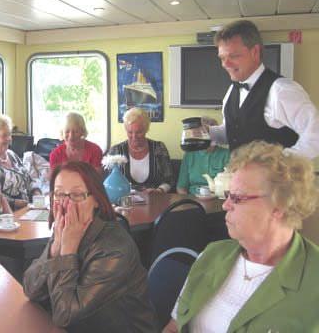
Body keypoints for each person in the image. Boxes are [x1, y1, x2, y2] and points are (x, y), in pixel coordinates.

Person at [164, 141, 319, 332]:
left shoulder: (313, 281)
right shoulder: (212, 254)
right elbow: (173, 327)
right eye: (228, 195)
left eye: (237, 197)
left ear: (280, 206)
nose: (225, 205)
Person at [23, 161, 158, 332]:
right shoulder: (66, 230)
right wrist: (55, 246)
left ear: (96, 199)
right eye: (59, 194)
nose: (66, 204)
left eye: (77, 195)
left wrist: (67, 251)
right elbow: (30, 289)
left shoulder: (114, 248)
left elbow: (64, 316)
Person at [208, 19, 319, 158]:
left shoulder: (282, 90)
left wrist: (277, 163)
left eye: (233, 56)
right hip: (238, 177)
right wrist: (209, 133)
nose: (225, 64)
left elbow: (315, 137)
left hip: (277, 179)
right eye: (222, 58)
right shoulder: (232, 90)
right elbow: (234, 131)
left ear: (255, 52)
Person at [0, 115, 42, 210]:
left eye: (10, 134)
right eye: (4, 135)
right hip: (7, 213)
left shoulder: (11, 155)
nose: (9, 139)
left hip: (28, 208)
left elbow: (29, 180)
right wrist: (16, 203)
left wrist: (36, 192)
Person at [108, 107, 174, 192]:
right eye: (130, 132)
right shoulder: (116, 151)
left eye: (139, 132)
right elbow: (110, 184)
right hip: (125, 201)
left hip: (155, 200)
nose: (134, 137)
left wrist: (159, 190)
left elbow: (169, 180)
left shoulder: (159, 148)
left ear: (146, 129)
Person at [177, 117, 230, 195]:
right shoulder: (189, 155)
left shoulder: (226, 154)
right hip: (193, 198)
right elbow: (181, 187)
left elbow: (230, 187)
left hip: (218, 199)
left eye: (209, 133)